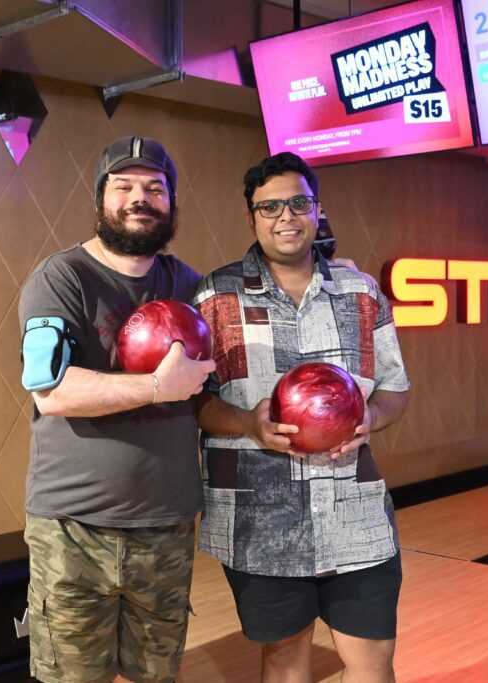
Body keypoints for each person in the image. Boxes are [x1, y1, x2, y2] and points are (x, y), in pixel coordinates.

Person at [193, 152, 411, 683]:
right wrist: (249, 424)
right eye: (269, 207)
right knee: (285, 662)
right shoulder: (213, 297)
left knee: (372, 663)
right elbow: (193, 402)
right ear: (251, 218)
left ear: (317, 210)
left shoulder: (361, 293)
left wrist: (370, 419)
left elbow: (396, 387)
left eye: (297, 203)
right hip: (259, 521)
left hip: (355, 515)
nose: (285, 217)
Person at [17, 136, 215, 683]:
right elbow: (49, 391)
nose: (139, 197)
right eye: (123, 186)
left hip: (167, 524)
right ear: (100, 199)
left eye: (154, 188)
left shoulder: (190, 285)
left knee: (157, 676)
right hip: (73, 527)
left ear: (171, 204)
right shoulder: (61, 279)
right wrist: (157, 386)